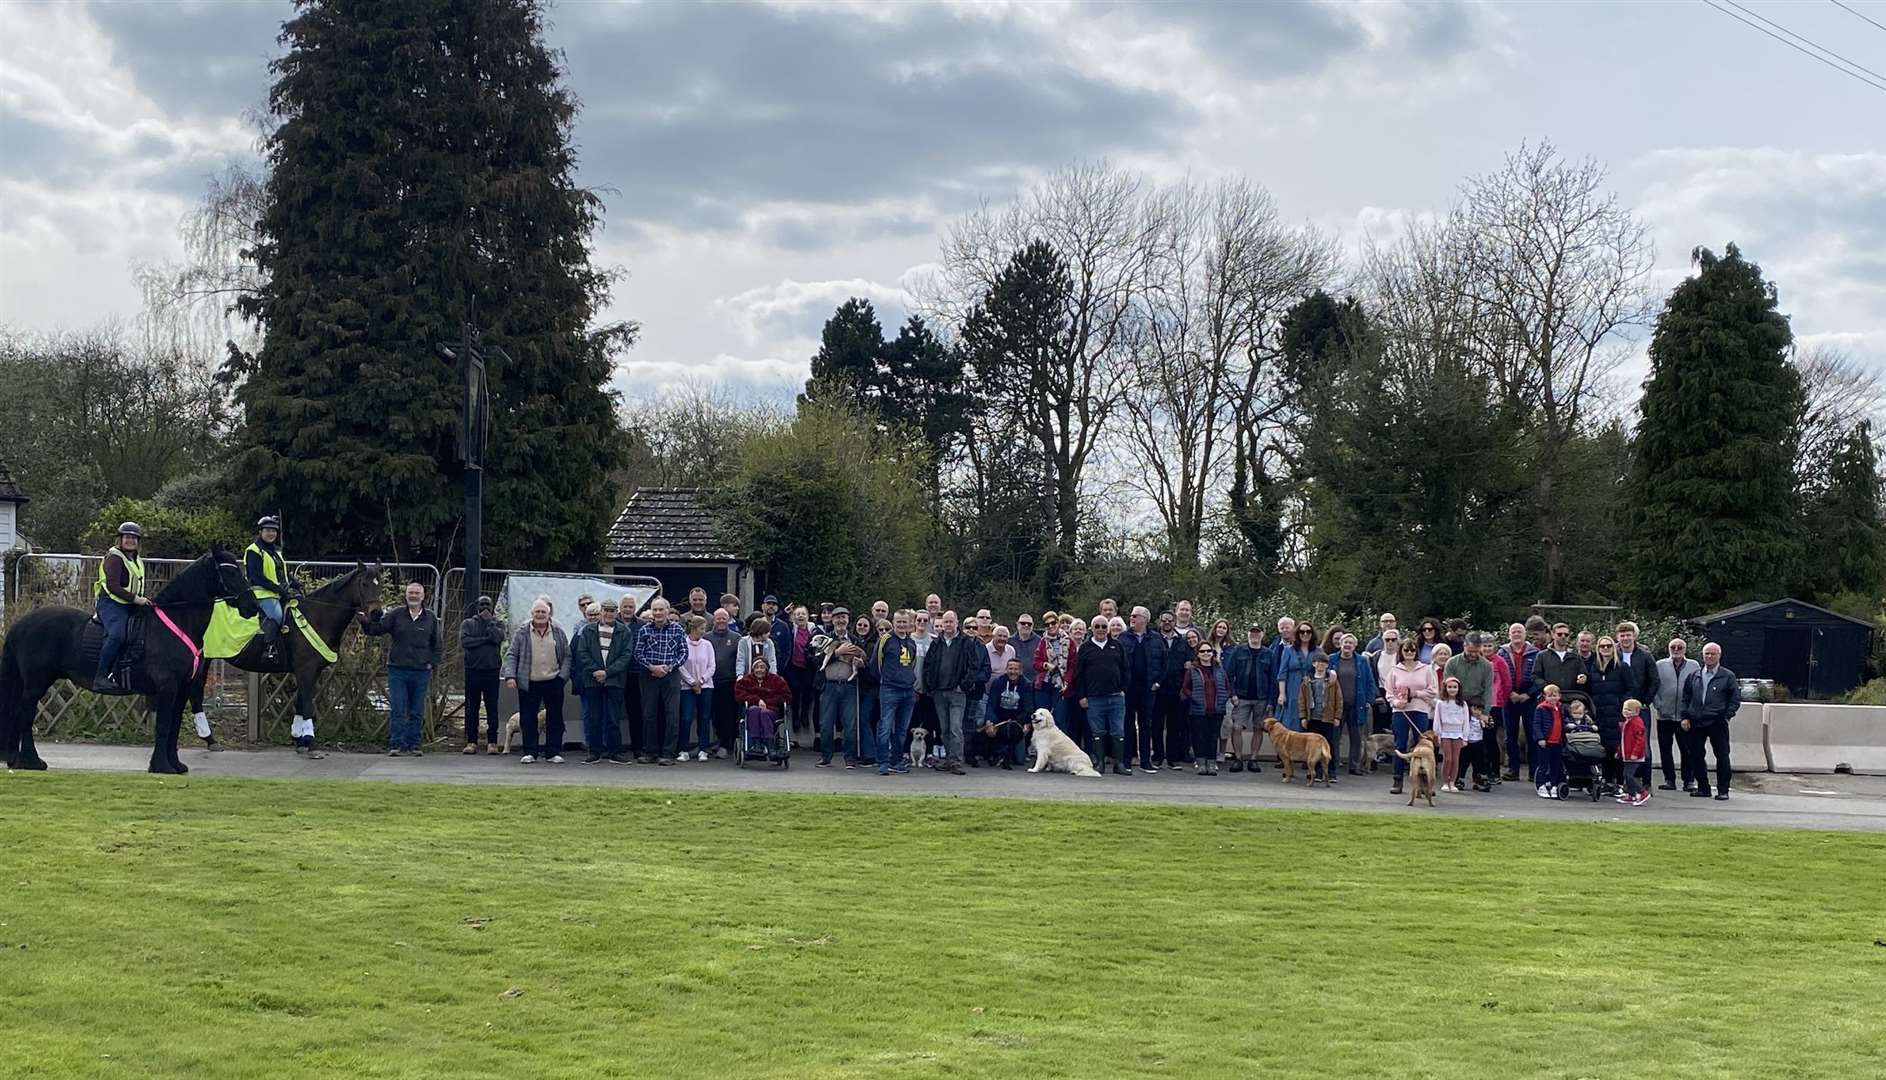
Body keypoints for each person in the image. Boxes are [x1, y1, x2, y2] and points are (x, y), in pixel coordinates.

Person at [362, 582, 442, 756]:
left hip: (421, 672)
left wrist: (431, 663)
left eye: (417, 593)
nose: (413, 596)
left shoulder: (430, 618)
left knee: (416, 711)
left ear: (423, 596)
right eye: (410, 593)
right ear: (406, 596)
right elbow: (377, 629)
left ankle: (414, 745)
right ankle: (396, 745)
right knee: (398, 709)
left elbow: (436, 645)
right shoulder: (396, 615)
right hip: (398, 670)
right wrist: (366, 621)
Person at [501, 597, 569, 764]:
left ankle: (553, 752)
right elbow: (512, 654)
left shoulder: (558, 631)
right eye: (537, 612)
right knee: (528, 718)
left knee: (555, 718)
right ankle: (530, 752)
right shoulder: (522, 632)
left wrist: (562, 677)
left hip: (553, 680)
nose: (540, 614)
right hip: (529, 681)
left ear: (549, 614)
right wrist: (511, 676)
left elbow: (567, 656)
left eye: (543, 612)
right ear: (532, 614)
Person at [571, 598, 633, 764]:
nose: (608, 614)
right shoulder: (588, 630)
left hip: (615, 681)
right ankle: (594, 752)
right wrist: (596, 671)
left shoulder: (624, 631)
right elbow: (582, 653)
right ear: (601, 613)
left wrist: (608, 672)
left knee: (613, 719)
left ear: (616, 612)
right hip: (592, 680)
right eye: (605, 610)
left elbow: (626, 656)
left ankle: (614, 752)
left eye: (612, 611)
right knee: (594, 717)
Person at [923, 611, 985, 775]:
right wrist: (931, 685)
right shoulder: (936, 643)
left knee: (956, 727)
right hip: (939, 692)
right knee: (944, 729)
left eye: (951, 621)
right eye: (946, 622)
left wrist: (964, 685)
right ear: (942, 624)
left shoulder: (966, 643)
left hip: (957, 692)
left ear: (957, 622)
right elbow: (928, 665)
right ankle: (949, 759)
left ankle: (956, 761)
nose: (948, 625)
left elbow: (974, 666)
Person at [92, 521, 151, 692]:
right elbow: (113, 586)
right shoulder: (115, 558)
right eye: (127, 537)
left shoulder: (136, 559)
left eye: (133, 538)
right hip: (111, 603)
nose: (130, 540)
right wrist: (136, 599)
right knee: (117, 635)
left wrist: (143, 600)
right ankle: (101, 676)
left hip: (130, 604)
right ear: (121, 539)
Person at [1073, 613, 1131, 776]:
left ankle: (1119, 764)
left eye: (1104, 626)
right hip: (1094, 698)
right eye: (1097, 626)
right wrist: (1082, 696)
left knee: (1118, 731)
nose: (1100, 629)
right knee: (1097, 731)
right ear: (1091, 629)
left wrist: (1123, 690)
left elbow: (1126, 670)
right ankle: (1099, 763)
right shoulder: (1085, 648)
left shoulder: (1117, 646)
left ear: (1108, 628)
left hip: (1115, 697)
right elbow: (1079, 674)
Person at [1681, 642, 1738, 800]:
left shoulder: (1728, 676)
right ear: (1702, 655)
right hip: (1696, 722)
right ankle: (1703, 788)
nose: (1709, 656)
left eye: (1713, 654)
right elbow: (1685, 698)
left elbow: (1734, 700)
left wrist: (1726, 716)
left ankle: (1723, 790)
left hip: (1717, 722)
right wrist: (1685, 716)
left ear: (1719, 655)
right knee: (1696, 756)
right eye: (1707, 653)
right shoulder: (1694, 676)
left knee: (1722, 756)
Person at [635, 598, 688, 766]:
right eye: (655, 610)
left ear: (667, 610)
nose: (658, 613)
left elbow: (684, 653)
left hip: (671, 675)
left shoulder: (677, 629)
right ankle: (650, 752)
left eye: (661, 610)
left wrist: (670, 667)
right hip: (649, 675)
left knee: (672, 715)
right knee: (649, 714)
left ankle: (668, 753)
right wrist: (652, 667)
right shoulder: (644, 630)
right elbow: (638, 653)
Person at [813, 607, 866, 768]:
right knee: (825, 723)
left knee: (850, 724)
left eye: (843, 617)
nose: (840, 621)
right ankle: (826, 756)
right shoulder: (825, 638)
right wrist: (837, 653)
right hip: (829, 686)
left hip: (849, 686)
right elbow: (815, 661)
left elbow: (864, 661)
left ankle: (850, 758)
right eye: (837, 618)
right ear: (832, 620)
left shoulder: (856, 640)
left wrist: (862, 664)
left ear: (848, 620)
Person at [1386, 637, 1437, 796]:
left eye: (1412, 650)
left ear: (1417, 652)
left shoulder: (1426, 669)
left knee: (1421, 746)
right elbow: (1389, 692)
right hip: (1401, 712)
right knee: (1400, 744)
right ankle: (1397, 779)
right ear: (1401, 652)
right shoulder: (1395, 670)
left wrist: (1416, 694)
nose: (1409, 653)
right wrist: (1395, 702)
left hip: (1420, 710)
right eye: (1406, 650)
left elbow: (1433, 690)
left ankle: (1424, 784)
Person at [1443, 632, 1494, 788]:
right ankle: (1457, 776)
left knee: (1479, 745)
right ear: (1464, 646)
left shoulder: (1487, 666)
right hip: (1457, 705)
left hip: (1477, 706)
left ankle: (1480, 775)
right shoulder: (1452, 663)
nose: (1473, 654)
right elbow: (1447, 686)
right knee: (1461, 744)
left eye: (1476, 651)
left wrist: (1485, 713)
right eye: (1470, 651)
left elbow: (1488, 690)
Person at [1614, 621, 1660, 791]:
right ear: (1617, 637)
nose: (1625, 638)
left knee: (1643, 745)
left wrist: (1644, 701)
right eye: (1622, 635)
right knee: (1623, 745)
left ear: (1634, 636)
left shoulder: (1645, 655)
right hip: (1621, 708)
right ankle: (1624, 783)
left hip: (1640, 708)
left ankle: (1645, 783)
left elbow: (1654, 680)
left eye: (1628, 635)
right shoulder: (1614, 654)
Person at [873, 610, 919, 776]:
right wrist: (887, 679)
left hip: (908, 691)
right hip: (889, 689)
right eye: (898, 622)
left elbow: (912, 664)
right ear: (893, 622)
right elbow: (876, 664)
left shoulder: (911, 642)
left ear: (909, 624)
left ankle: (897, 761)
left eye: (904, 622)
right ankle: (883, 761)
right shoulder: (886, 640)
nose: (901, 625)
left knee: (902, 729)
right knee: (885, 726)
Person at [460, 594, 506, 754]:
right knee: (472, 707)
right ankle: (471, 741)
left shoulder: (498, 623)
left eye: (488, 606)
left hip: (492, 671)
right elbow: (466, 643)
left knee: (492, 707)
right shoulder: (468, 623)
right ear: (476, 607)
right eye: (482, 606)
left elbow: (497, 638)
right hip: (472, 670)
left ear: (492, 607)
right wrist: (485, 639)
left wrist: (490, 623)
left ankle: (492, 741)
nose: (485, 609)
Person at [1224, 623, 1271, 774]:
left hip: (1261, 698)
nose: (1255, 635)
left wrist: (1271, 700)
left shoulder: (1268, 653)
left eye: (1258, 632)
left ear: (1262, 634)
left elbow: (1273, 678)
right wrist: (1233, 694)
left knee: (1258, 728)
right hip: (1241, 697)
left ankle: (1253, 759)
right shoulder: (1239, 651)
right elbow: (1229, 674)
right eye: (1252, 632)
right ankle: (1238, 759)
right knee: (1236, 728)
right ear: (1248, 633)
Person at [244, 515, 294, 657]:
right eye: (268, 530)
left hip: (278, 593)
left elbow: (280, 570)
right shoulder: (253, 550)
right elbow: (257, 577)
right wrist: (279, 589)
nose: (271, 533)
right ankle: (269, 648)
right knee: (278, 617)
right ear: (260, 532)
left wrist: (294, 582)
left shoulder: (276, 550)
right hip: (262, 594)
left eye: (274, 531)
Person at [1654, 639, 1699, 791]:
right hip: (1664, 715)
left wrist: (1691, 710)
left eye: (1680, 647)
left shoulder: (1694, 665)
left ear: (1685, 649)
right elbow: (1654, 685)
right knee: (1665, 749)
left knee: (1687, 749)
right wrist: (1658, 704)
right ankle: (1669, 780)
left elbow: (1697, 688)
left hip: (1684, 716)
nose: (1676, 649)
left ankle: (1689, 781)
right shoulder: (1660, 665)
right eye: (1673, 647)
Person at [1124, 608, 1163, 773]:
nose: (1131, 618)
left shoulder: (1155, 639)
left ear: (1145, 619)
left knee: (1146, 725)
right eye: (1131, 616)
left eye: (1135, 616)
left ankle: (1145, 761)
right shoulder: (1124, 638)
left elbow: (1164, 662)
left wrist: (1158, 682)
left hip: (1148, 688)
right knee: (1127, 725)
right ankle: (1125, 760)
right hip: (1128, 688)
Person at [1182, 641, 1230, 776]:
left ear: (1212, 653)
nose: (1206, 654)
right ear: (1198, 654)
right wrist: (1195, 698)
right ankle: (1201, 763)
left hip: (1216, 709)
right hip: (1198, 710)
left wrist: (1223, 699)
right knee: (1199, 737)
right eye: (1202, 651)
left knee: (1213, 736)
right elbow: (1186, 688)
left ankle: (1212, 763)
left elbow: (1227, 687)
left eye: (1208, 651)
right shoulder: (1193, 670)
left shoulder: (1219, 669)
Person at [1331, 632, 1376, 776]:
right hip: (1336, 705)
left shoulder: (1362, 661)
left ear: (1355, 646)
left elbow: (1369, 681)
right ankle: (1333, 764)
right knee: (1334, 737)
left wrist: (1369, 700)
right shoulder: (1331, 659)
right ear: (1340, 644)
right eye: (1345, 642)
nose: (1348, 645)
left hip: (1357, 705)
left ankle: (1354, 766)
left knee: (1356, 737)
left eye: (1351, 643)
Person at [1496, 623, 1536, 781]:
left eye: (1520, 631)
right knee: (1509, 736)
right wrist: (1509, 693)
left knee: (1533, 735)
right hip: (1509, 699)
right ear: (1509, 635)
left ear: (1525, 634)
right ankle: (1513, 769)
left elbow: (1539, 677)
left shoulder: (1536, 653)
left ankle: (1534, 771)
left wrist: (1529, 694)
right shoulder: (1502, 653)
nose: (1517, 634)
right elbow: (1498, 676)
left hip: (1529, 699)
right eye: (1514, 632)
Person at [1588, 635, 1628, 790]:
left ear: (1614, 648)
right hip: (1599, 714)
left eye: (1608, 646)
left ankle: (1618, 782)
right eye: (1602, 646)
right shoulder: (1594, 667)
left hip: (1616, 714)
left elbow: (1631, 688)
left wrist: (1621, 705)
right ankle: (1605, 780)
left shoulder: (1622, 667)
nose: (1605, 649)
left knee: (1616, 749)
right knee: (1602, 748)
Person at [1298, 651, 1343, 783]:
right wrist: (1303, 717)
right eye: (1318, 662)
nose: (1320, 665)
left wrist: (1337, 716)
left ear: (1327, 665)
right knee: (1313, 747)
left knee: (1330, 746)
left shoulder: (1332, 681)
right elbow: (1301, 700)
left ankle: (1331, 772)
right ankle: (1316, 772)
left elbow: (1339, 699)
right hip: (1313, 718)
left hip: (1327, 718)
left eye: (1323, 663)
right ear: (1313, 664)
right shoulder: (1307, 681)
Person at [677, 614, 717, 762]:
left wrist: (700, 681)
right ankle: (683, 749)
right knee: (686, 718)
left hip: (706, 686)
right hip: (686, 687)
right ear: (693, 628)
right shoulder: (683, 643)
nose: (703, 631)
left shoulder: (707, 645)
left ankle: (703, 749)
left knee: (704, 718)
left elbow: (712, 666)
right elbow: (680, 665)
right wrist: (691, 682)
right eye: (701, 628)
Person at [733, 655, 791, 755]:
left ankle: (770, 746)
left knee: (764, 713)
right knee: (754, 710)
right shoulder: (746, 681)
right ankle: (756, 745)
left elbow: (786, 696)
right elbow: (739, 695)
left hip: (771, 711)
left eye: (762, 667)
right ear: (753, 669)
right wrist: (757, 700)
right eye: (756, 667)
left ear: (767, 669)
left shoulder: (776, 680)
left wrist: (767, 703)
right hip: (752, 711)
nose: (759, 670)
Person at [979, 657, 1031, 768]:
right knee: (988, 734)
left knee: (1020, 760)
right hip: (999, 722)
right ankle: (997, 752)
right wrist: (989, 722)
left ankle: (1007, 753)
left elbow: (1028, 708)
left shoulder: (1026, 685)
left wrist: (1025, 724)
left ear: (1021, 671)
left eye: (1016, 669)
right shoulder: (998, 683)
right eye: (1010, 668)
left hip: (1016, 724)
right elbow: (991, 705)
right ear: (1006, 669)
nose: (1013, 672)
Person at [1158, 612, 1195, 768]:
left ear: (1174, 622)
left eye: (1170, 620)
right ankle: (1158, 756)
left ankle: (1172, 758)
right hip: (1158, 688)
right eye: (1164, 620)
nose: (1167, 622)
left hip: (1177, 689)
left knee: (1174, 726)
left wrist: (1184, 688)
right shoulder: (1153, 639)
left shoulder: (1182, 642)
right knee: (1156, 725)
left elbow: (1189, 664)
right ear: (1160, 622)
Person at [707, 608, 742, 759]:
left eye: (724, 618)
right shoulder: (706, 637)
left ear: (728, 620)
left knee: (728, 714)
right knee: (714, 714)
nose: (721, 621)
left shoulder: (737, 638)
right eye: (718, 618)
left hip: (729, 682)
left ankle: (725, 745)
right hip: (710, 682)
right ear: (713, 620)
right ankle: (718, 739)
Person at [1274, 620, 1319, 731]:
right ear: (1297, 634)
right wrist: (1282, 694)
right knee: (1290, 722)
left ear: (1312, 634)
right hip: (1292, 689)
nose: (1305, 634)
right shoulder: (1288, 650)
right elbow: (1282, 674)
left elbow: (1326, 668)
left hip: (1311, 689)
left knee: (1309, 721)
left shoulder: (1318, 651)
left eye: (1308, 632)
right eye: (1301, 632)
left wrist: (1332, 673)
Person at [1433, 675, 1470, 793]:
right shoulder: (1441, 703)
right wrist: (1437, 733)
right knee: (1447, 759)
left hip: (1458, 733)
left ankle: (1452, 782)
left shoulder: (1463, 704)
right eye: (1449, 687)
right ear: (1445, 688)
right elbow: (1437, 719)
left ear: (1459, 689)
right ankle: (1445, 782)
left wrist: (1465, 736)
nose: (1452, 689)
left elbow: (1466, 720)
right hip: (1445, 733)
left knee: (1455, 759)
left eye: (1455, 687)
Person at [1530, 683, 1568, 799]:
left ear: (1559, 696)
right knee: (1543, 766)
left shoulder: (1560, 708)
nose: (1553, 698)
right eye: (1550, 695)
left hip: (1557, 742)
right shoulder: (1541, 708)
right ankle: (1540, 785)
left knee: (1556, 765)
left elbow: (1563, 723)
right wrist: (1540, 738)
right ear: (1545, 697)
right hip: (1545, 742)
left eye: (1555, 695)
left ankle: (1554, 785)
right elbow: (1536, 725)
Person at [1618, 698, 1650, 806]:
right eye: (1625, 709)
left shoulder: (1636, 723)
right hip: (1627, 754)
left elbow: (1640, 740)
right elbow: (1623, 739)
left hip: (1634, 755)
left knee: (1629, 775)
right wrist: (1619, 751)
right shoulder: (1627, 722)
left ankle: (1642, 792)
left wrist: (1635, 753)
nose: (1626, 711)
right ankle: (1631, 794)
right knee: (1626, 775)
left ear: (1637, 711)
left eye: (1629, 710)